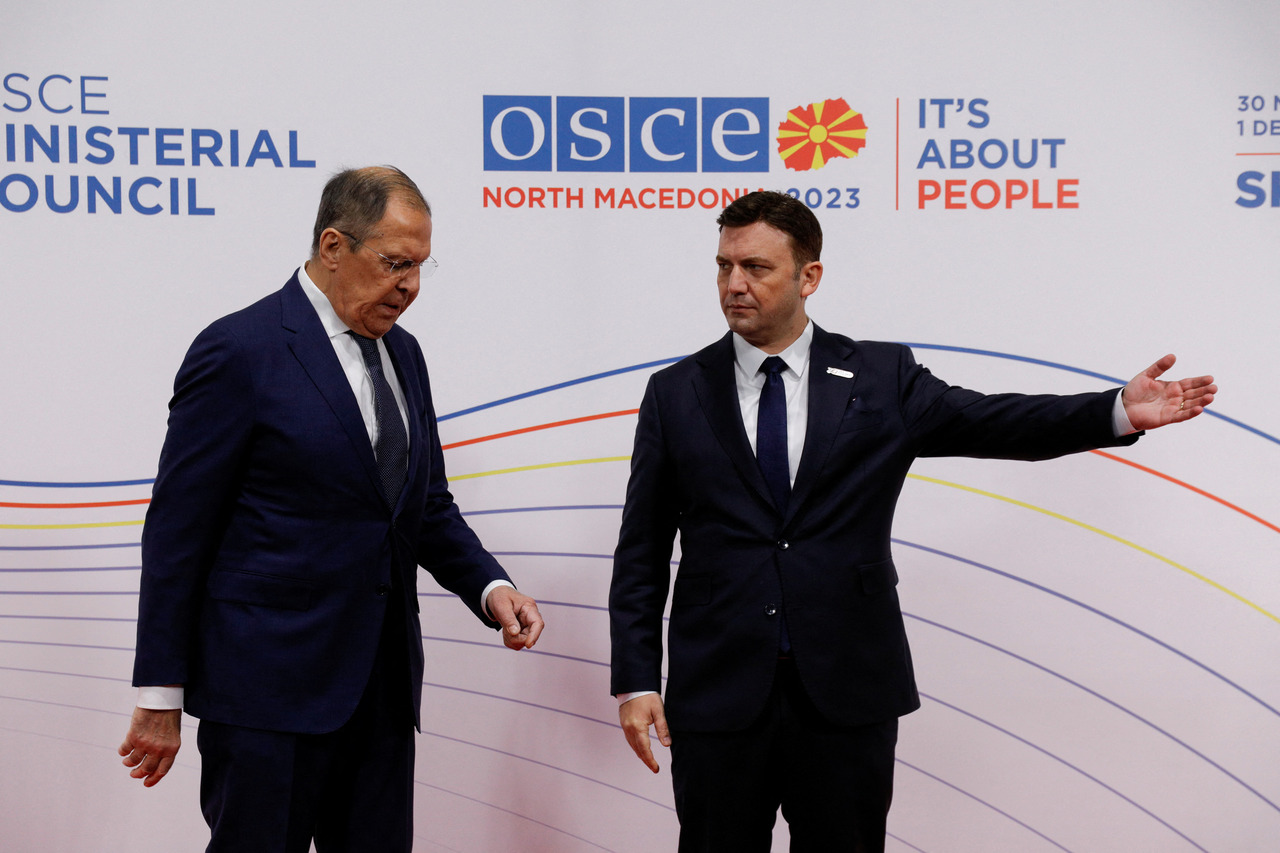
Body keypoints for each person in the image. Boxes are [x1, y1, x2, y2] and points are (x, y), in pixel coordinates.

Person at [608, 190, 1216, 852]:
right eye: (724, 266)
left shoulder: (881, 374)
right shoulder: (675, 392)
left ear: (809, 276)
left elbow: (994, 421)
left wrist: (1115, 410)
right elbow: (642, 549)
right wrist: (636, 678)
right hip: (717, 691)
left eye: (756, 267)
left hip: (848, 689)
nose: (734, 284)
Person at [118, 165, 544, 852]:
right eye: (395, 263)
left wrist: (491, 587)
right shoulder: (239, 350)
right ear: (334, 246)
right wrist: (160, 693)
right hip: (265, 700)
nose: (409, 286)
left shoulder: (405, 354)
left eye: (420, 267)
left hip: (381, 695)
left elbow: (422, 505)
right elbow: (177, 533)